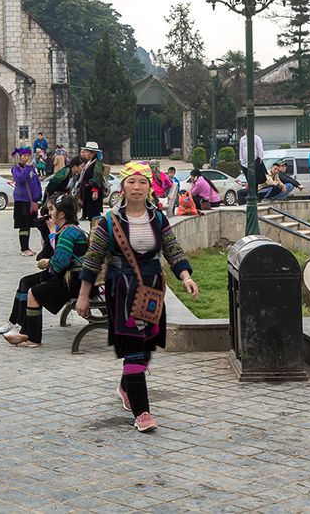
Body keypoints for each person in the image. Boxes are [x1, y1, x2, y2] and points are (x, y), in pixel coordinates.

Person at [75, 161, 198, 432]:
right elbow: (93, 259)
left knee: (147, 349)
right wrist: (83, 296)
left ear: (150, 187)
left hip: (152, 290)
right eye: (131, 181)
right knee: (133, 351)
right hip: (121, 291)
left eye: (143, 182)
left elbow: (172, 249)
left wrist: (186, 276)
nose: (137, 187)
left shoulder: (158, 218)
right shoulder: (110, 221)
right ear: (123, 187)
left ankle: (125, 384)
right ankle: (142, 413)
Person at [0, 194, 89, 346]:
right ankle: (25, 332)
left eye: (53, 210)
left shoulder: (67, 233)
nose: (50, 213)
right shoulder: (72, 230)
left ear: (62, 214)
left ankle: (32, 338)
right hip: (76, 279)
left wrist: (46, 263)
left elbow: (59, 264)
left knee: (33, 292)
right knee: (31, 285)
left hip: (74, 282)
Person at [36, 156, 84, 260]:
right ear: (75, 166)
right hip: (55, 200)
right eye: (81, 166)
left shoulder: (75, 176)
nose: (82, 169)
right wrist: (55, 200)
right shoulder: (63, 173)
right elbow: (51, 186)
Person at [11, 146, 42, 256]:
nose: (27, 158)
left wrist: (38, 195)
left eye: (28, 156)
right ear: (20, 157)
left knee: (29, 225)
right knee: (23, 225)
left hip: (31, 201)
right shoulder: (16, 168)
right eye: (24, 156)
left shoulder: (32, 169)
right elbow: (19, 179)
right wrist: (27, 168)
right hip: (21, 200)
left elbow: (36, 182)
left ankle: (27, 247)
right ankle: (24, 248)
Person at [78, 141, 106, 223]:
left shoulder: (97, 164)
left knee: (94, 216)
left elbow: (97, 179)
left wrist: (95, 192)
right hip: (87, 192)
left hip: (92, 193)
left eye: (87, 151)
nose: (85, 153)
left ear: (92, 153)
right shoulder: (88, 163)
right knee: (89, 216)